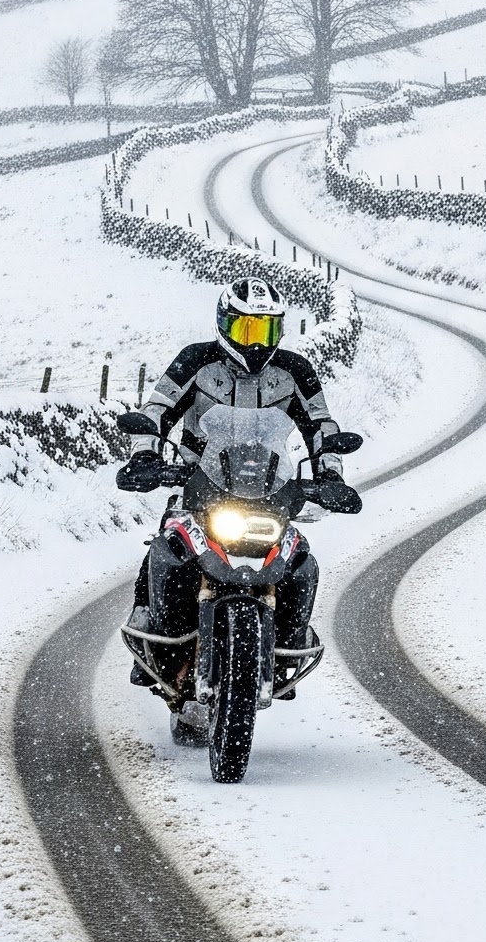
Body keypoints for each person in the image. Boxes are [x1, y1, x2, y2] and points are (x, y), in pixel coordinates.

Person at [118, 276, 359, 689]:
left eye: (265, 329)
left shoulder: (295, 371)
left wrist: (330, 474)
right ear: (224, 323)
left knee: (299, 561)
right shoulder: (195, 361)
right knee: (165, 549)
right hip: (199, 482)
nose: (255, 342)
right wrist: (145, 455)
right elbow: (157, 409)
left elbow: (321, 426)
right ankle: (151, 631)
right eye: (245, 328)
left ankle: (289, 639)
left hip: (269, 488)